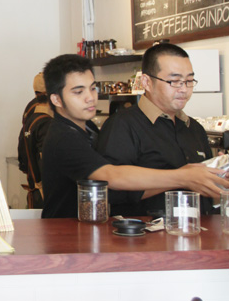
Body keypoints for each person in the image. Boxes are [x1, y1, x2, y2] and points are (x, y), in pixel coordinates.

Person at [40, 53, 228, 218]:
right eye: (78, 92)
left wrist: (215, 174)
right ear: (56, 99)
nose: (90, 97)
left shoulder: (86, 127)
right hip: (65, 235)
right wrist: (183, 176)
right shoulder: (64, 137)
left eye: (93, 88)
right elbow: (111, 176)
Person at [96, 41, 219, 217]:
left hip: (197, 229)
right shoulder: (122, 125)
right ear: (146, 82)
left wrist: (218, 178)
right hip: (145, 232)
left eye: (189, 81)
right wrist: (182, 178)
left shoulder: (194, 128)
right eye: (174, 81)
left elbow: (208, 191)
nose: (184, 89)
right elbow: (111, 190)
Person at [17, 72, 52, 208]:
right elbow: (47, 163)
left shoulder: (31, 112)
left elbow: (22, 149)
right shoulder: (47, 123)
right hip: (45, 193)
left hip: (34, 189)